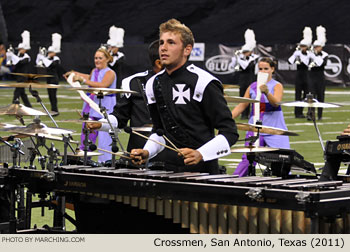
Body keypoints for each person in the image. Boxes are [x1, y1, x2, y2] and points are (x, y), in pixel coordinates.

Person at [130, 18, 239, 174]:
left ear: (187, 50)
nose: (163, 48)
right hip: (167, 170)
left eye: (171, 43)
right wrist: (147, 152)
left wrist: (201, 154)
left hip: (203, 172)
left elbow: (230, 132)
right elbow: (160, 132)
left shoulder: (204, 82)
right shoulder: (153, 84)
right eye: (161, 42)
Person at [90, 40, 163, 154]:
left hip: (177, 156)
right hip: (137, 153)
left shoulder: (193, 83)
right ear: (159, 62)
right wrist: (101, 123)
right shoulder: (134, 83)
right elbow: (120, 118)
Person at [231, 57, 290, 177]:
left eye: (266, 69)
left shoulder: (277, 85)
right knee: (248, 159)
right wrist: (226, 120)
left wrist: (267, 92)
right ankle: (235, 181)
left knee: (284, 159)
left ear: (272, 69)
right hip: (255, 128)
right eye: (260, 69)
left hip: (275, 128)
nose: (263, 71)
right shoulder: (252, 86)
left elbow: (276, 103)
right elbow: (242, 106)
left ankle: (286, 184)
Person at [64, 47, 116, 163]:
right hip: (91, 109)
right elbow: (90, 77)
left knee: (105, 142)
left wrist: (82, 80)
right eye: (95, 58)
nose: (97, 60)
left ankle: (105, 164)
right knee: (86, 139)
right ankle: (85, 161)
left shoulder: (110, 73)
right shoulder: (95, 71)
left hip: (105, 110)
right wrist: (74, 73)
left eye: (100, 58)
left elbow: (102, 84)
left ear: (107, 59)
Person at [231, 29, 259, 119]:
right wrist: (234, 58)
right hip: (242, 79)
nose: (244, 54)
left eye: (246, 52)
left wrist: (238, 58)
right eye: (244, 52)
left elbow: (245, 66)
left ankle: (253, 114)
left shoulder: (254, 58)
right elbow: (231, 66)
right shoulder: (241, 58)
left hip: (251, 79)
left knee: (252, 97)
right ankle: (244, 114)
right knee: (242, 97)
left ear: (251, 51)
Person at [288, 27, 312, 119]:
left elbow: (307, 63)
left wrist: (301, 56)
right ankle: (298, 113)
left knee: (308, 95)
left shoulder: (310, 54)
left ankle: (310, 113)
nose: (302, 48)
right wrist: (295, 54)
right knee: (297, 95)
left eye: (304, 46)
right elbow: (290, 61)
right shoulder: (297, 53)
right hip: (299, 76)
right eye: (301, 46)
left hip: (307, 76)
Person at [36, 33, 62, 115]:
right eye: (49, 52)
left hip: (54, 79)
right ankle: (52, 110)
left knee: (53, 95)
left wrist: (43, 58)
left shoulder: (56, 59)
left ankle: (55, 111)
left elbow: (51, 64)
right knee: (50, 96)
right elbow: (40, 64)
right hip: (49, 79)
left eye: (51, 52)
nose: (50, 53)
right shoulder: (47, 59)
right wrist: (39, 57)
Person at [6, 30, 32, 107]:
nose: (19, 50)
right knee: (22, 93)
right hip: (19, 77)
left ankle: (14, 107)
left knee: (17, 92)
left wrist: (12, 55)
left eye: (21, 49)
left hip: (23, 78)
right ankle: (29, 107)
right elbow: (15, 63)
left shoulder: (27, 57)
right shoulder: (18, 56)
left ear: (25, 49)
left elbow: (20, 62)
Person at [308, 26, 328, 120]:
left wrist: (314, 56)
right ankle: (310, 114)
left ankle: (320, 115)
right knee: (311, 96)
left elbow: (321, 64)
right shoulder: (310, 54)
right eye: (315, 47)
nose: (316, 48)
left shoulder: (325, 55)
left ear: (321, 47)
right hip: (312, 77)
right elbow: (306, 64)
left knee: (320, 96)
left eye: (318, 47)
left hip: (320, 77)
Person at [106, 25, 125, 98]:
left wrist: (109, 55)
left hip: (117, 78)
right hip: (107, 77)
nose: (112, 48)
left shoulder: (121, 55)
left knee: (116, 95)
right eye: (111, 47)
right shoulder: (107, 55)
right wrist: (108, 53)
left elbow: (114, 65)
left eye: (114, 47)